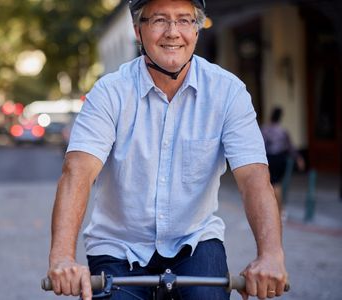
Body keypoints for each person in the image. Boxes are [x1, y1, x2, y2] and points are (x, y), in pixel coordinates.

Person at [46, 0, 287, 299]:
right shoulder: (109, 93)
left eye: (185, 20)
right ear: (138, 30)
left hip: (195, 239)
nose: (173, 32)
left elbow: (253, 177)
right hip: (118, 245)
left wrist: (271, 255)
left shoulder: (228, 92)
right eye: (159, 20)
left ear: (197, 30)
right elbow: (77, 174)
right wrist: (62, 258)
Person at [261, 107, 305, 217]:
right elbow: (290, 147)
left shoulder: (264, 129)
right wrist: (298, 158)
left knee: (269, 184)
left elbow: (260, 145)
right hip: (279, 158)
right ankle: (280, 210)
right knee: (276, 184)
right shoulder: (282, 131)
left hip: (267, 158)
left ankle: (274, 209)